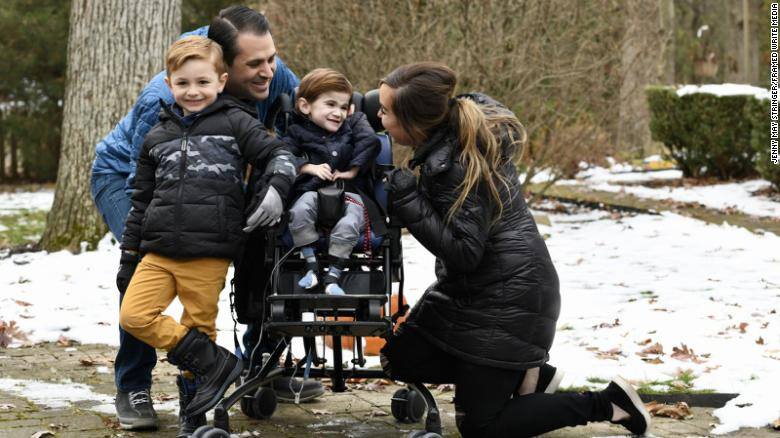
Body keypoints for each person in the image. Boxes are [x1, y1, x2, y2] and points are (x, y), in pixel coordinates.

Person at [377, 62, 651, 437]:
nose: (378, 115)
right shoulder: (451, 138)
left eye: (385, 111)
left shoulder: (456, 166)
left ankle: (609, 404)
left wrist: (407, 199)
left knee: (481, 427)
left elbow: (463, 252)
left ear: (412, 122)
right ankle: (524, 379)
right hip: (483, 295)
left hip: (509, 304)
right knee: (399, 357)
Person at [90, 5, 322, 432]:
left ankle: (258, 365)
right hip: (130, 177)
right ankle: (134, 383)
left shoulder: (272, 71)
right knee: (144, 268)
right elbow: (152, 181)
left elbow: (307, 120)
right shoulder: (168, 96)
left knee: (265, 252)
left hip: (218, 178)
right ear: (223, 68)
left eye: (271, 58)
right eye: (254, 64)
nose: (268, 71)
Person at [281, 68, 379, 295]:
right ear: (305, 106)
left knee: (351, 219)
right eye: (330, 105)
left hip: (348, 192)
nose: (338, 113)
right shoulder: (296, 132)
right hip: (311, 192)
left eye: (344, 107)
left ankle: (334, 276)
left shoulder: (353, 125)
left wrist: (353, 170)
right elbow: (283, 155)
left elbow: (370, 141)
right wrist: (307, 167)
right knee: (301, 207)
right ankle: (311, 267)